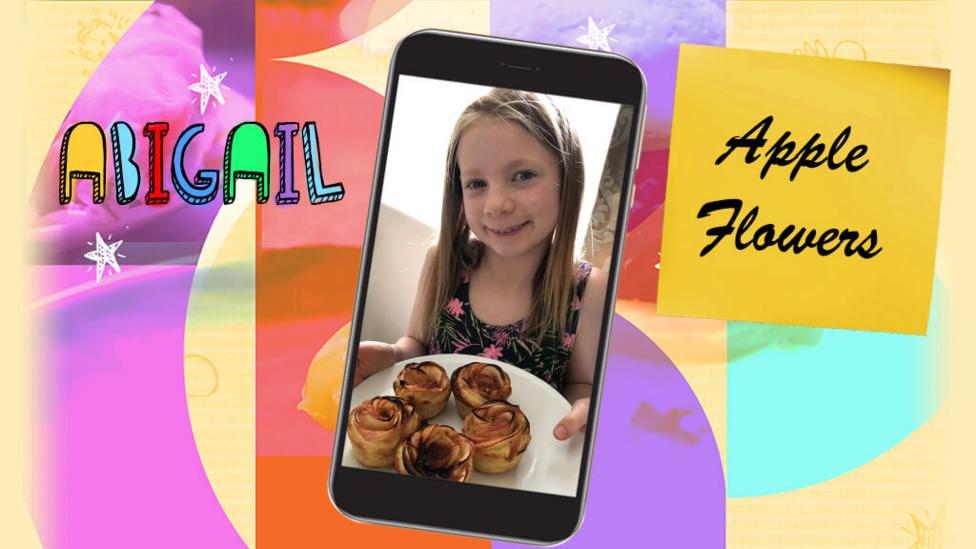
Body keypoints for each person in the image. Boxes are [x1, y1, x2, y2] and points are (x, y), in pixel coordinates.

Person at [355, 88, 608, 441]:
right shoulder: (444, 260)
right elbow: (416, 343)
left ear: (567, 179)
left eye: (522, 176)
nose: (497, 204)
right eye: (477, 183)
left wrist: (584, 407)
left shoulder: (587, 289)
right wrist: (392, 355)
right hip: (431, 452)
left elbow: (580, 384)